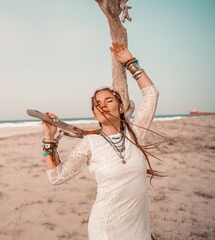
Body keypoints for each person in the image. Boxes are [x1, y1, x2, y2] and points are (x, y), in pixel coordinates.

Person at [41, 42, 160, 240]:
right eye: (97, 104)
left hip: (139, 228)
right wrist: (49, 139)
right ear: (94, 114)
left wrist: (131, 63)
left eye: (109, 101)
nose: (102, 106)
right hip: (106, 229)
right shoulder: (90, 143)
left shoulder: (135, 134)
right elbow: (56, 178)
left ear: (121, 107)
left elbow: (151, 95)